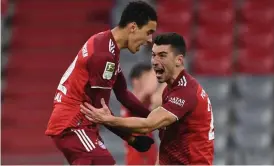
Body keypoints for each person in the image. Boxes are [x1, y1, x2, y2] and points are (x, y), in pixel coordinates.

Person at [45, 1, 158, 165]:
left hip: (79, 124)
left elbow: (123, 95)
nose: (149, 40)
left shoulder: (107, 46)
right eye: (148, 32)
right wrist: (131, 138)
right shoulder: (104, 55)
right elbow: (101, 112)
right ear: (133, 27)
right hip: (72, 125)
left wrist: (156, 119)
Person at [80, 32, 215, 165]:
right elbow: (168, 141)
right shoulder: (170, 91)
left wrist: (107, 119)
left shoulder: (185, 92)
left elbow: (148, 125)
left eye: (162, 56)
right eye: (153, 56)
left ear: (179, 60)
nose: (155, 62)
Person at [121, 63, 160, 165]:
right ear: (136, 81)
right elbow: (148, 89)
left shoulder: (147, 102)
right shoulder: (127, 100)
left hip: (150, 159)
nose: (152, 80)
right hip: (137, 161)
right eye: (147, 78)